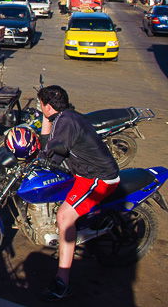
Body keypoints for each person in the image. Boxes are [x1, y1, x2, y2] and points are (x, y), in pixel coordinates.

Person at [37, 85, 119, 301]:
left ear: (47, 105)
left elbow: (48, 154)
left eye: (41, 103)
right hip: (83, 172)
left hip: (98, 177)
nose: (39, 107)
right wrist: (46, 119)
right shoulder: (66, 116)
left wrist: (45, 124)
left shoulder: (64, 124)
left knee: (64, 217)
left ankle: (62, 282)